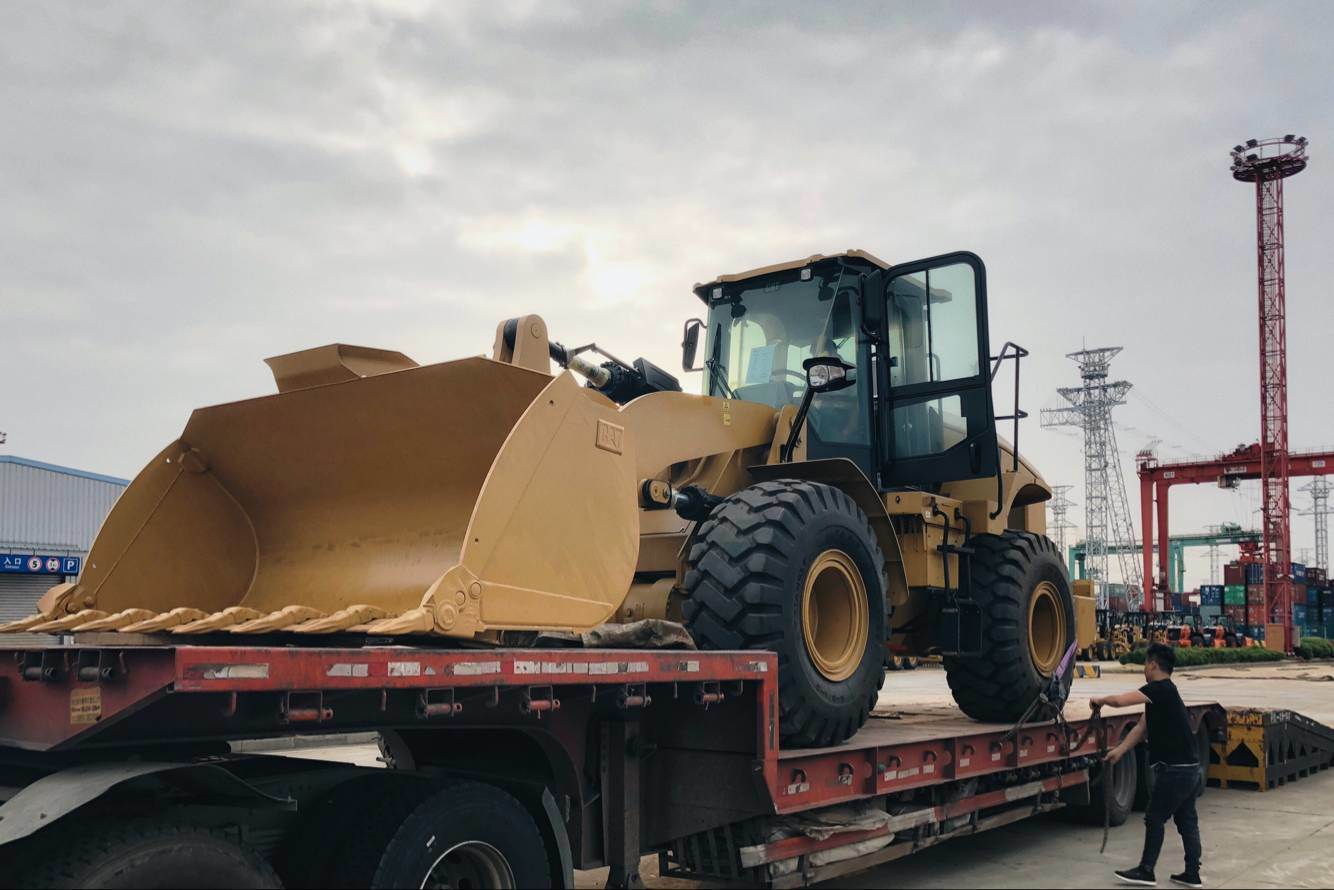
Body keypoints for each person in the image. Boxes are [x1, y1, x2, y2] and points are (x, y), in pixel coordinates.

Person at [1090, 643, 1203, 888]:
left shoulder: (1160, 689)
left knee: (1154, 818)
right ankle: (1192, 874)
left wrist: (1100, 700)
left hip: (1175, 771)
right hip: (1189, 770)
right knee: (1186, 821)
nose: (1144, 669)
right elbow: (1142, 728)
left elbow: (1121, 701)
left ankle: (1146, 870)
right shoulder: (1167, 694)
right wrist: (1119, 751)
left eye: (1145, 664)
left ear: (1153, 664)